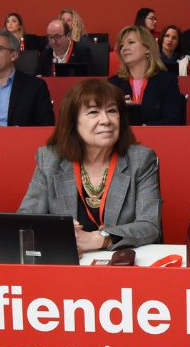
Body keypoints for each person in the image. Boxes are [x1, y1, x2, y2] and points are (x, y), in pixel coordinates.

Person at [18, 78, 162, 253]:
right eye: (93, 112)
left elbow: (150, 226)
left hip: (120, 263)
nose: (106, 120)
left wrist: (99, 238)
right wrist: (59, 233)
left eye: (112, 111)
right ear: (72, 123)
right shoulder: (50, 160)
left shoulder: (140, 160)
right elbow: (25, 219)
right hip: (69, 264)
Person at [108, 26, 182, 125]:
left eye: (131, 42)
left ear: (147, 48)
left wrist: (145, 127)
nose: (124, 48)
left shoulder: (167, 81)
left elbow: (172, 120)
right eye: (121, 46)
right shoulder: (113, 84)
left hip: (156, 138)